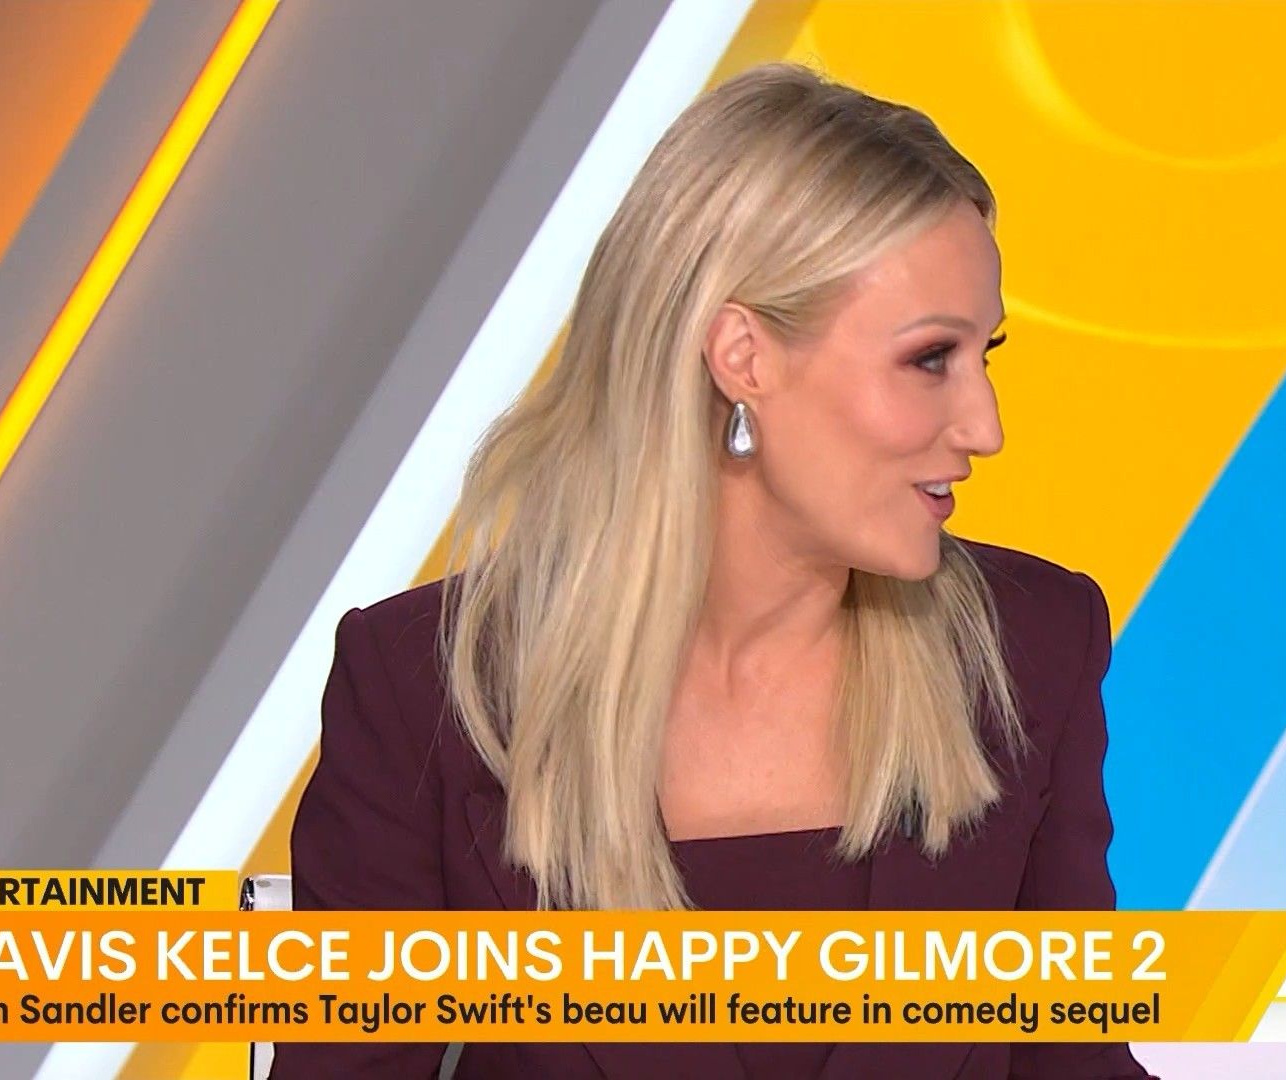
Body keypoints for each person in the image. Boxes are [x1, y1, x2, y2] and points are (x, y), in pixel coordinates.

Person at [271, 60, 1158, 1080]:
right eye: (930, 360)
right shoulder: (422, 688)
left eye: (985, 355)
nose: (984, 427)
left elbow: (1075, 1065)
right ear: (742, 355)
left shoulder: (1037, 646)